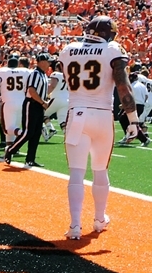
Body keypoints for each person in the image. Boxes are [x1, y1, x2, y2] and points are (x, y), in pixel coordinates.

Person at [58, 16, 137, 239]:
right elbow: (123, 86)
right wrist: (134, 120)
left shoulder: (68, 49)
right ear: (108, 34)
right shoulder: (112, 49)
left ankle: (75, 226)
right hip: (102, 115)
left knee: (76, 172)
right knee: (100, 170)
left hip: (76, 112)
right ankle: (99, 219)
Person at [4, 53, 51, 168]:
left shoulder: (43, 75)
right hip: (32, 104)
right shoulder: (35, 74)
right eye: (48, 61)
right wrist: (42, 102)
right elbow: (31, 90)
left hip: (38, 104)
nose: (49, 64)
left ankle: (30, 159)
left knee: (36, 133)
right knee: (28, 132)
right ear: (41, 62)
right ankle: (10, 150)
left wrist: (46, 100)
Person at [0, 55, 30, 153]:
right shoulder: (26, 71)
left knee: (8, 129)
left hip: (8, 102)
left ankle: (25, 134)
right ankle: (11, 148)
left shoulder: (2, 71)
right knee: (15, 125)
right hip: (22, 102)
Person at [43, 60, 69, 141]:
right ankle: (67, 136)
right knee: (62, 120)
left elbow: (52, 86)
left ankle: (51, 129)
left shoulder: (56, 74)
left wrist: (44, 94)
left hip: (56, 98)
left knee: (42, 114)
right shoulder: (68, 75)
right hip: (67, 100)